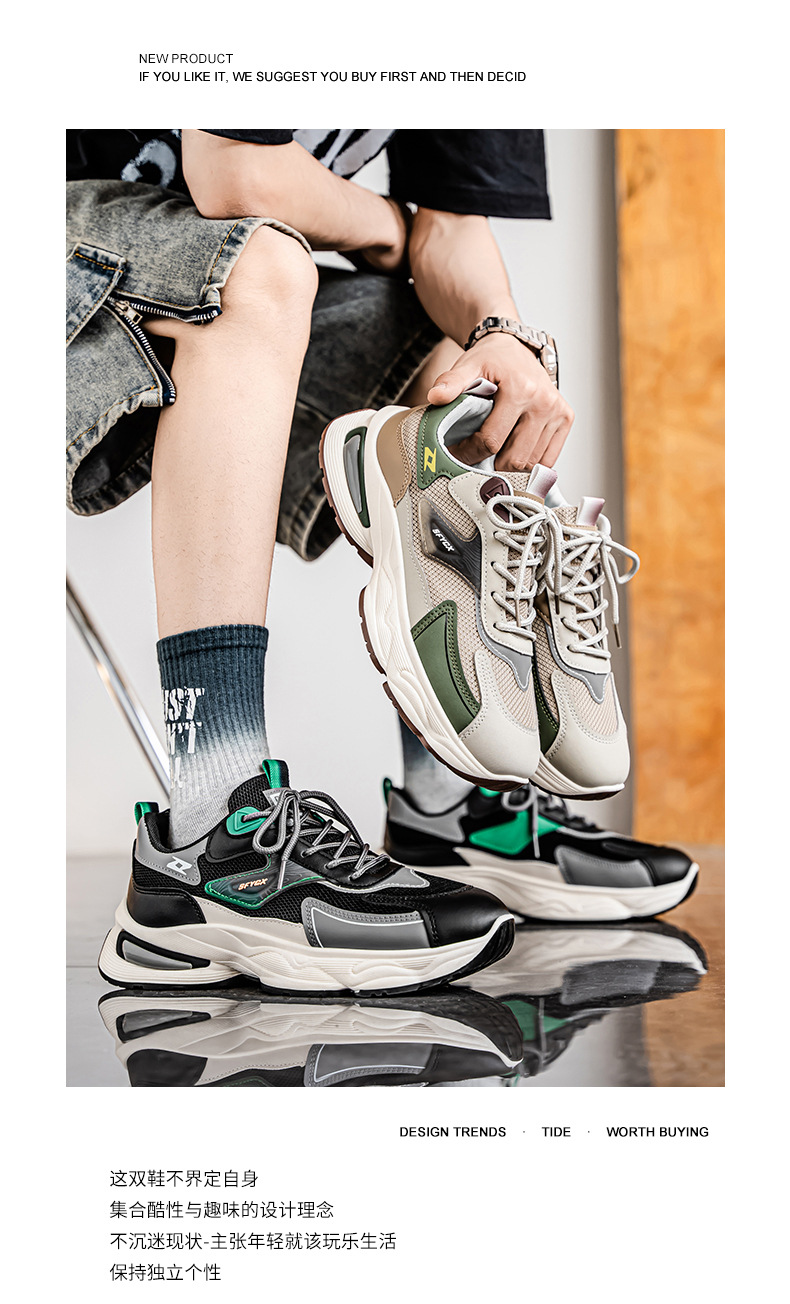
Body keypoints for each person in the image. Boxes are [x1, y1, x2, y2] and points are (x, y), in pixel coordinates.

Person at [67, 130, 695, 996]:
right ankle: (210, 832)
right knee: (262, 266)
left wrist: (501, 335)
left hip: (156, 273)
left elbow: (454, 231)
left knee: (448, 356)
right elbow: (239, 179)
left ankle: (454, 803)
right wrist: (397, 230)